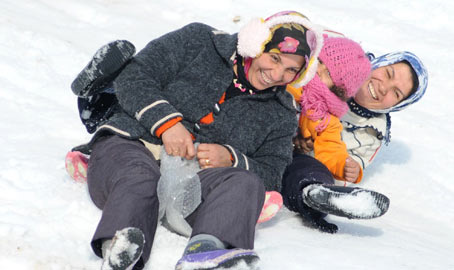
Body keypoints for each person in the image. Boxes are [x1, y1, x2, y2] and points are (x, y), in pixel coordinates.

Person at [70, 11, 324, 270]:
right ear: (255, 43)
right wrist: (167, 123)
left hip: (192, 185)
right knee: (139, 177)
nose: (278, 73)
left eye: (292, 70)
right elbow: (134, 76)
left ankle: (207, 254)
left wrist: (231, 158)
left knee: (246, 183)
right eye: (274, 58)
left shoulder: (281, 111)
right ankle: (121, 252)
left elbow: (272, 172)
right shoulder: (199, 41)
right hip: (134, 143)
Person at [281, 51, 428, 233]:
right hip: (273, 122)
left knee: (307, 171)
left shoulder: (372, 132)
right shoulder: (339, 66)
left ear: (397, 106)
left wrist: (349, 168)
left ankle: (316, 194)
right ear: (379, 63)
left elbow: (352, 162)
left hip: (296, 162)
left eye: (396, 93)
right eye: (388, 73)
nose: (384, 88)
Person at [287, 36, 371, 184]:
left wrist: (343, 165)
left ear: (337, 89)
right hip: (250, 132)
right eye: (320, 61)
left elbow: (331, 148)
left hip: (282, 157)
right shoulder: (290, 77)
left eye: (329, 74)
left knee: (309, 168)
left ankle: (313, 191)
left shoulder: (325, 118)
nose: (319, 70)